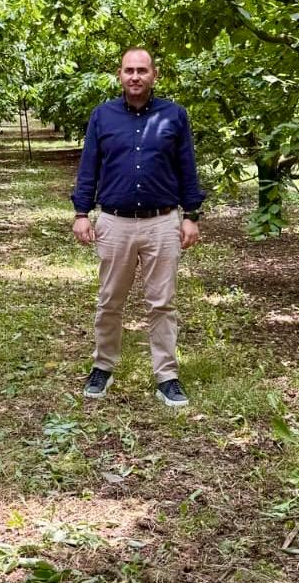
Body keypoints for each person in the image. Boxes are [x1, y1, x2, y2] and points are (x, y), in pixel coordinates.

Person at [71, 47, 205, 408]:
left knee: (162, 303)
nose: (135, 76)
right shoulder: (102, 116)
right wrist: (81, 212)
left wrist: (191, 215)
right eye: (129, 70)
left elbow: (186, 167)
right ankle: (103, 366)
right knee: (109, 301)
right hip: (114, 222)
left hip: (162, 222)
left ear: (154, 75)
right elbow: (89, 167)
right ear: (120, 74)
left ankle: (167, 376)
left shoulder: (174, 116)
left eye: (142, 70)